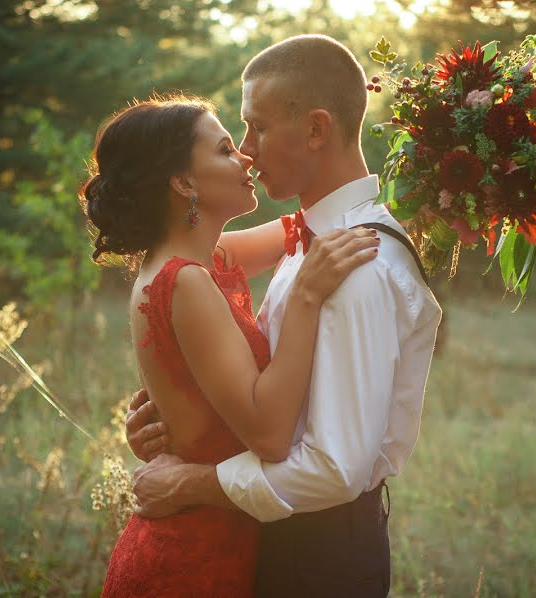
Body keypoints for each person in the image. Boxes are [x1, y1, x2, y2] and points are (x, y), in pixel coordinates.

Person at [127, 35, 443, 597]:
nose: (246, 151)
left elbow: (333, 468)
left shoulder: (355, 266)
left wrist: (190, 483)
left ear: (317, 130)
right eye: (233, 140)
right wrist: (182, 414)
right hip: (269, 543)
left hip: (316, 561)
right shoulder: (311, 239)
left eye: (256, 128)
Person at [79, 94, 381, 597]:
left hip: (222, 545)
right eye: (224, 149)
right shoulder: (186, 282)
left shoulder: (198, 260)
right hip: (191, 562)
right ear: (184, 183)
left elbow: (308, 225)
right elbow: (267, 436)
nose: (244, 157)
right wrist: (306, 295)